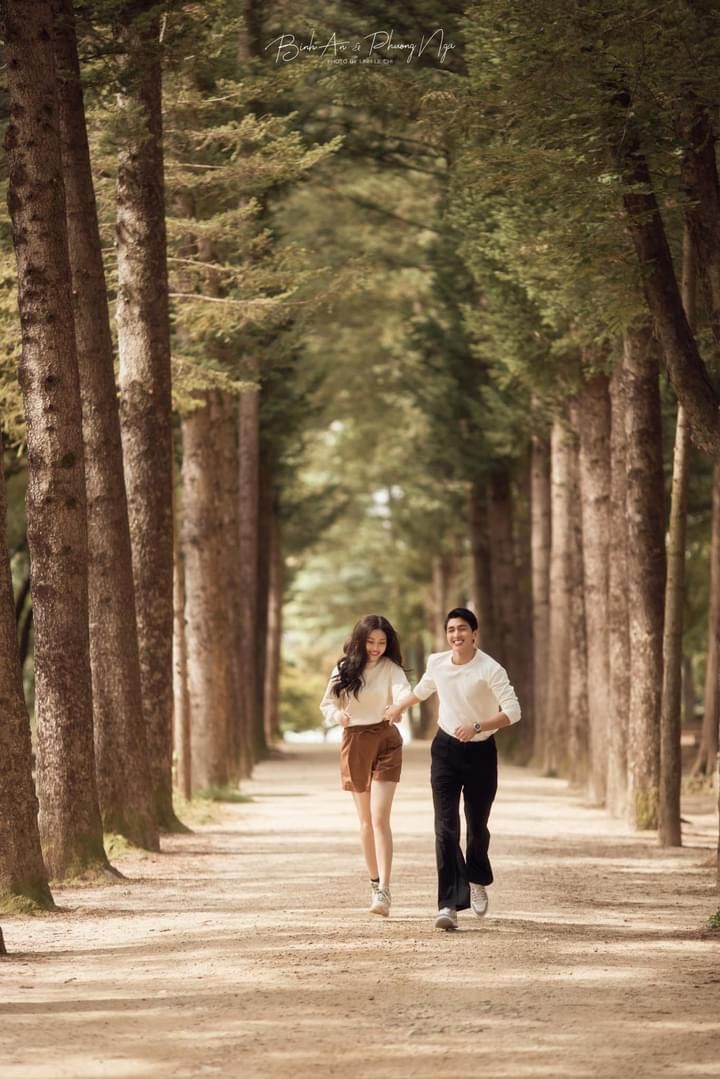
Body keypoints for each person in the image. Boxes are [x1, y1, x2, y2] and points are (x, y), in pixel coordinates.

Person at [385, 607, 520, 930]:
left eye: (462, 629)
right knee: (445, 828)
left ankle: (476, 878)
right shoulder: (437, 663)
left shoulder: (490, 669)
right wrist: (398, 707)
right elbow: (423, 690)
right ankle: (447, 904)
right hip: (445, 750)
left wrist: (477, 726)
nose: (456, 635)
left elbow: (513, 711)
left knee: (477, 826)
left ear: (475, 633)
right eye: (450, 630)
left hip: (481, 752)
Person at [320, 614, 410, 918]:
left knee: (380, 816)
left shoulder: (392, 669)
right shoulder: (344, 668)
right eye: (371, 641)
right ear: (360, 640)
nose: (376, 647)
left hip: (386, 739)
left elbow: (402, 691)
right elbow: (327, 704)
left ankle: (385, 889)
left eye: (382, 642)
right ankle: (374, 884)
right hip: (355, 740)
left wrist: (398, 707)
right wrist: (337, 717)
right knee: (366, 821)